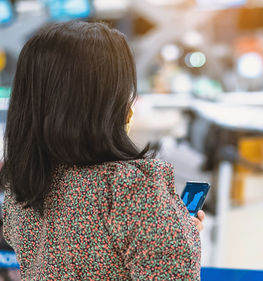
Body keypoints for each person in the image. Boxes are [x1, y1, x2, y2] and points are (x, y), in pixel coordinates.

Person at [0, 21, 204, 280]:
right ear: (108, 99)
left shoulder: (23, 192)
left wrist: (168, 231)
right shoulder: (131, 189)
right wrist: (176, 236)